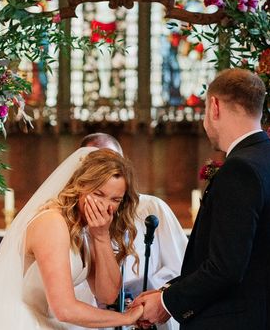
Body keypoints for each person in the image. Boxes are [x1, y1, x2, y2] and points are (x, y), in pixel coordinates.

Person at [133, 68, 270, 330]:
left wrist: (166, 303)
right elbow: (251, 260)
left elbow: (226, 268)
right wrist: (168, 292)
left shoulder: (241, 169)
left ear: (214, 106)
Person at [0, 147, 145, 329]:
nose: (105, 206)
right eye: (98, 194)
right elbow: (64, 309)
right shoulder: (52, 222)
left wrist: (101, 237)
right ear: (80, 186)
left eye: (115, 200)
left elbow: (107, 295)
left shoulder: (86, 229)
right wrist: (126, 319)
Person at [69, 133, 187, 330]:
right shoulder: (69, 219)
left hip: (148, 318)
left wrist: (146, 299)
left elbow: (181, 266)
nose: (106, 173)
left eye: (112, 164)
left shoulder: (152, 208)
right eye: (97, 165)